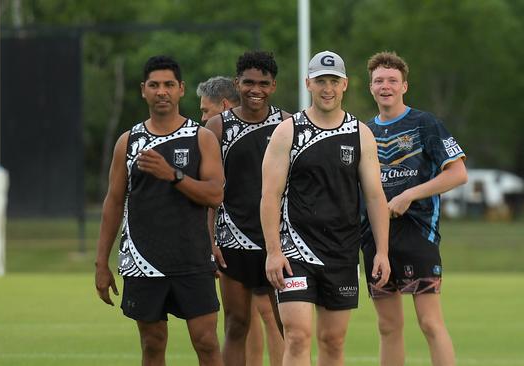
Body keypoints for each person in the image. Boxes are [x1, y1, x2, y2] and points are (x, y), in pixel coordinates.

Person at [261, 50, 391, 366]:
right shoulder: (288, 131)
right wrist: (273, 251)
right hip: (295, 250)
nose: (327, 88)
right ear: (308, 83)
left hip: (342, 252)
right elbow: (269, 196)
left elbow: (375, 197)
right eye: (321, 81)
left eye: (334, 81)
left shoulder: (361, 134)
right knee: (297, 335)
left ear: (345, 84)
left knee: (333, 342)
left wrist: (382, 252)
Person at [94, 55, 224, 366]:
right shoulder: (129, 141)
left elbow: (215, 194)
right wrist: (101, 263)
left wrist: (173, 175)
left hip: (192, 258)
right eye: (154, 85)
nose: (161, 91)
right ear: (143, 90)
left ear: (181, 89)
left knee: (206, 342)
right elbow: (113, 203)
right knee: (152, 343)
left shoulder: (201, 138)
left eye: (168, 85)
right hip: (143, 261)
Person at [361, 51, 467, 366]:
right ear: (370, 87)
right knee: (387, 326)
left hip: (417, 235)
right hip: (374, 239)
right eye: (378, 80)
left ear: (404, 86)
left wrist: (409, 195)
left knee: (430, 323)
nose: (385, 86)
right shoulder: (363, 132)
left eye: (392, 80)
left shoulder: (425, 123)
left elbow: (458, 173)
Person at [204, 51, 289, 366]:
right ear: (236, 83)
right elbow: (211, 191)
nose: (256, 89)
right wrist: (209, 240)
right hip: (232, 242)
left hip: (278, 243)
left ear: (273, 86)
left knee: (290, 327)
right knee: (236, 325)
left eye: (263, 83)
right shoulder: (217, 126)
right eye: (249, 82)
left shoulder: (286, 123)